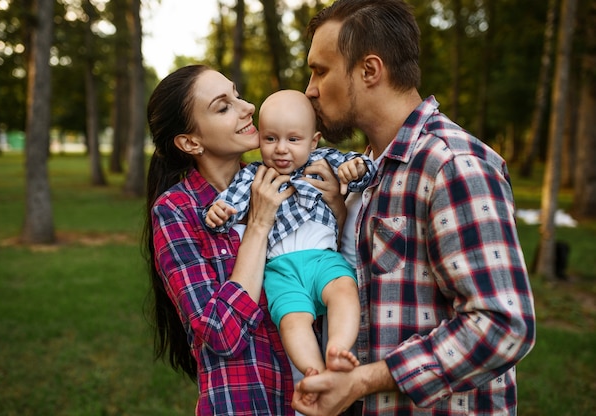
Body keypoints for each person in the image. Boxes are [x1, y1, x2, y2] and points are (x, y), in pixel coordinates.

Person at [292, 1, 537, 415]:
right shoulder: (364, 171)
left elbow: (503, 324)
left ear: (370, 70)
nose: (309, 89)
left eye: (320, 70)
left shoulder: (451, 165)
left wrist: (366, 379)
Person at [143, 65, 344, 415]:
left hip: (314, 398)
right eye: (223, 106)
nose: (247, 106)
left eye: (237, 94)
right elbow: (220, 332)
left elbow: (327, 272)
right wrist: (258, 223)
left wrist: (336, 210)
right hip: (247, 402)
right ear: (191, 142)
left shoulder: (279, 177)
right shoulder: (177, 211)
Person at [204, 89, 376, 376]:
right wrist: (218, 212)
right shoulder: (253, 175)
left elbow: (362, 169)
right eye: (271, 139)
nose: (281, 148)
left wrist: (356, 168)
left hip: (323, 259)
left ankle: (338, 349)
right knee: (292, 320)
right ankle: (314, 371)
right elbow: (227, 204)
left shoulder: (322, 160)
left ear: (313, 141)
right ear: (259, 139)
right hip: (280, 270)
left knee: (345, 291)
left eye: (293, 139)